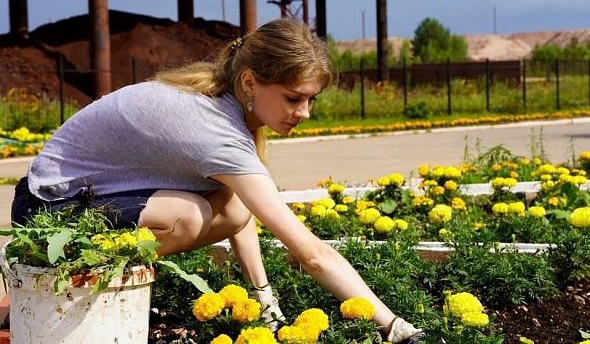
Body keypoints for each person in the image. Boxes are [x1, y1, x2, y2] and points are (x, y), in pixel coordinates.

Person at [11, 19, 423, 342]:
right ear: (250, 82)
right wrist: (393, 327)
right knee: (186, 217)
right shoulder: (214, 130)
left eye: (311, 99)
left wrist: (265, 301)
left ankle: (31, 297)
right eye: (294, 97)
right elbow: (310, 253)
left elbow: (241, 216)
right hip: (48, 208)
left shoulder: (225, 103)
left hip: (90, 195)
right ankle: (62, 292)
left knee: (232, 204)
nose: (305, 112)